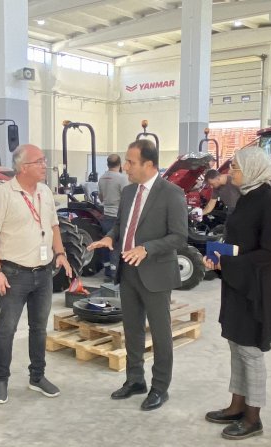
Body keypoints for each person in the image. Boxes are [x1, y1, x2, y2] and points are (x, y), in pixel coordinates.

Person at [87, 139, 187, 411]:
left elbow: (179, 236)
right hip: (128, 270)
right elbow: (121, 225)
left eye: (131, 162)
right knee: (132, 329)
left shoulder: (172, 193)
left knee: (160, 333)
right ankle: (135, 380)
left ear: (149, 164)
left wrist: (147, 248)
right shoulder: (129, 191)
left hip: (155, 273)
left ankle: (160, 387)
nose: (126, 167)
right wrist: (110, 238)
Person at [202, 147, 271, 441]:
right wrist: (219, 257)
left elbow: (269, 253)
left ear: (253, 169)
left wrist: (229, 263)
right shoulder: (246, 195)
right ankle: (236, 405)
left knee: (250, 351)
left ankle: (253, 417)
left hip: (255, 287)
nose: (231, 172)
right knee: (236, 345)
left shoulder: (268, 200)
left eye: (235, 167)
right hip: (237, 282)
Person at [0, 144, 73, 404]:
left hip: (43, 274)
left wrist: (60, 253)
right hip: (14, 274)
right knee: (7, 329)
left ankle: (37, 377)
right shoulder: (3, 194)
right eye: (39, 161)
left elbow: (54, 226)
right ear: (24, 167)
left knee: (39, 328)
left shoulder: (45, 192)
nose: (45, 165)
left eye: (44, 160)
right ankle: (1, 380)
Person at [97, 154, 130, 279]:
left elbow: (100, 197)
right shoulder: (122, 178)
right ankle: (115, 272)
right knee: (116, 245)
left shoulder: (102, 178)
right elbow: (127, 197)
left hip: (106, 216)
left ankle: (107, 269)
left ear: (107, 164)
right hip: (118, 217)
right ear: (120, 164)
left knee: (106, 244)